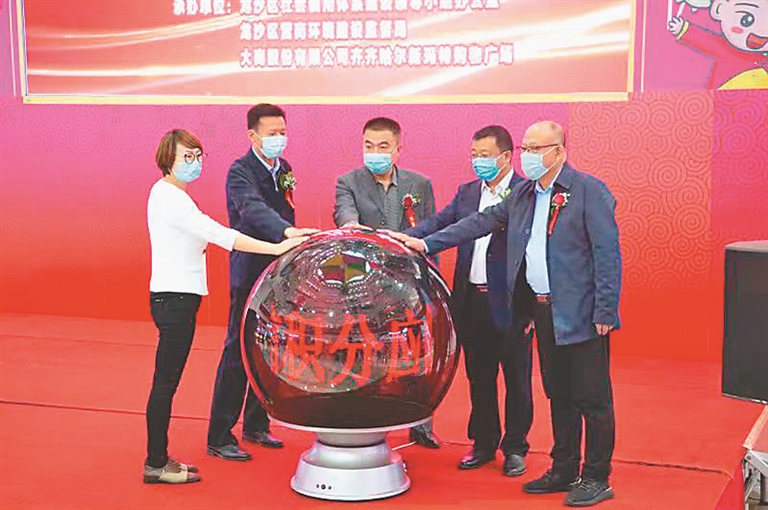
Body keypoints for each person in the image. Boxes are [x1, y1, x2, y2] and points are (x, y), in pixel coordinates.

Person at [392, 121, 621, 507]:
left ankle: (597, 476)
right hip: (542, 310)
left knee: (592, 398)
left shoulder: (588, 190)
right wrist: (426, 243)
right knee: (558, 393)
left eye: (536, 149)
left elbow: (607, 252)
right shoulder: (525, 194)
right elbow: (478, 222)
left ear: (558, 151)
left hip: (581, 313)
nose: (527, 155)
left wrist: (605, 310)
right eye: (525, 148)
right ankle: (564, 468)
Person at [144, 129, 308, 484]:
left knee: (167, 381)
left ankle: (160, 457)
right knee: (166, 384)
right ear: (167, 159)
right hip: (174, 300)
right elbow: (221, 234)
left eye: (197, 156)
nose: (194, 163)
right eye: (186, 157)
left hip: (177, 298)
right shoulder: (170, 198)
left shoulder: (172, 195)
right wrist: (276, 247)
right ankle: (156, 462)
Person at [404, 125, 533, 477]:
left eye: (485, 156)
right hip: (471, 301)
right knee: (480, 376)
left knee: (517, 379)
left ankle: (515, 447)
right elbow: (438, 223)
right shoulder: (467, 192)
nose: (478, 162)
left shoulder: (525, 193)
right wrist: (401, 238)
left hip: (511, 302)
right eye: (475, 155)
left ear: (505, 157)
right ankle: (484, 443)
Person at [207, 104, 319, 461]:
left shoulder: (284, 169)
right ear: (253, 136)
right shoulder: (240, 171)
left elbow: (286, 208)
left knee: (268, 348)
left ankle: (256, 424)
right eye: (272, 134)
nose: (279, 139)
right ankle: (220, 434)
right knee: (237, 350)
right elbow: (253, 210)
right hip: (250, 269)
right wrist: (285, 232)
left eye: (282, 132)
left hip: (278, 271)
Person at [333, 116, 439, 448]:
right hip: (363, 282)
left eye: (383, 146)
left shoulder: (419, 184)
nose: (375, 152)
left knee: (415, 354)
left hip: (407, 281)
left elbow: (430, 233)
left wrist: (429, 284)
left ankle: (420, 424)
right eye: (368, 146)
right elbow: (345, 214)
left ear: (397, 150)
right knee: (361, 351)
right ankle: (359, 418)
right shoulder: (348, 181)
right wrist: (352, 227)